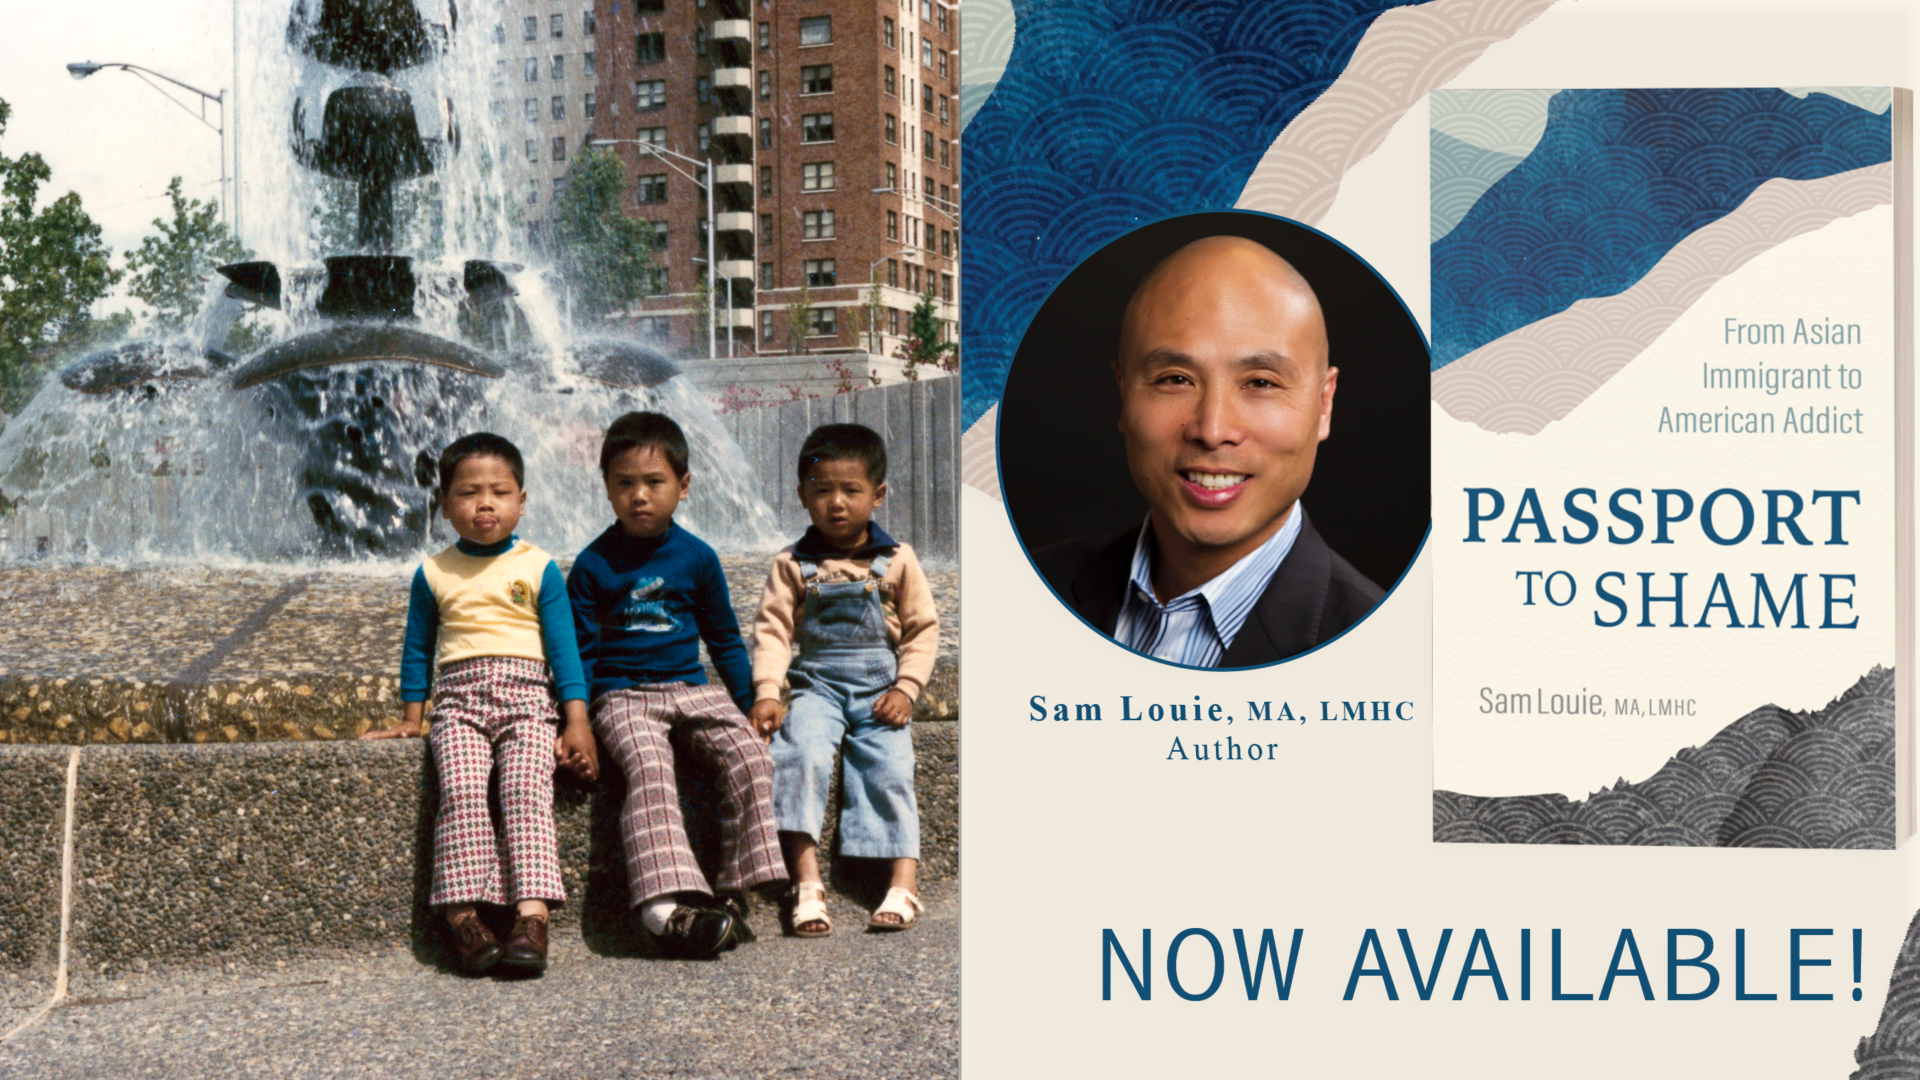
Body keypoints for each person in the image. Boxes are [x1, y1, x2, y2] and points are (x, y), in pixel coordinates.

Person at [1034, 235, 1383, 667]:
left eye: (1261, 382)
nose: (1213, 430)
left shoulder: (1388, 654)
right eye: (1176, 379)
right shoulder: (1022, 591)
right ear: (1123, 392)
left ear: (1323, 405)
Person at [362, 432, 597, 976]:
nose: (484, 504)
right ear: (444, 505)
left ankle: (531, 916)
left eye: (499, 491)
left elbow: (563, 650)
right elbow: (418, 650)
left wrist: (576, 718)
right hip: (459, 703)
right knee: (462, 791)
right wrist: (410, 718)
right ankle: (463, 916)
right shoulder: (434, 572)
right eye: (468, 493)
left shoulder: (539, 567)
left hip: (528, 701)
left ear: (522, 500)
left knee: (524, 788)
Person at [567, 411, 787, 959]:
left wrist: (754, 699)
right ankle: (662, 910)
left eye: (654, 482)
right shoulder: (593, 565)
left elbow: (725, 641)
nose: (639, 496)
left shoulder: (698, 558)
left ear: (683, 487)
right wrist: (575, 722)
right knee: (648, 762)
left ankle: (733, 890)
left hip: (692, 689)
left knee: (750, 755)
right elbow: (579, 653)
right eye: (624, 484)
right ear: (607, 489)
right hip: (622, 694)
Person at [747, 424, 940, 935]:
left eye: (851, 491)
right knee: (798, 753)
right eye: (822, 491)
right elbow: (771, 633)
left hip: (881, 691)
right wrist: (768, 692)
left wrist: (906, 688)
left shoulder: (897, 559)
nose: (836, 503)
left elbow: (922, 630)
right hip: (817, 687)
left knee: (891, 764)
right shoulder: (792, 564)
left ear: (877, 495)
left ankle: (905, 880)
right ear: (801, 496)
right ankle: (806, 881)